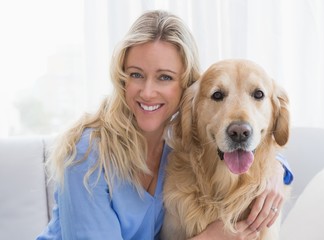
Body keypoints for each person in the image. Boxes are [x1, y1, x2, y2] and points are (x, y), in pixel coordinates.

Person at [36, 10, 293, 240]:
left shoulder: (179, 149)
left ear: (186, 86)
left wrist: (276, 171)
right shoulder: (87, 154)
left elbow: (253, 146)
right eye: (136, 74)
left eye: (164, 77)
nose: (148, 92)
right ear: (121, 78)